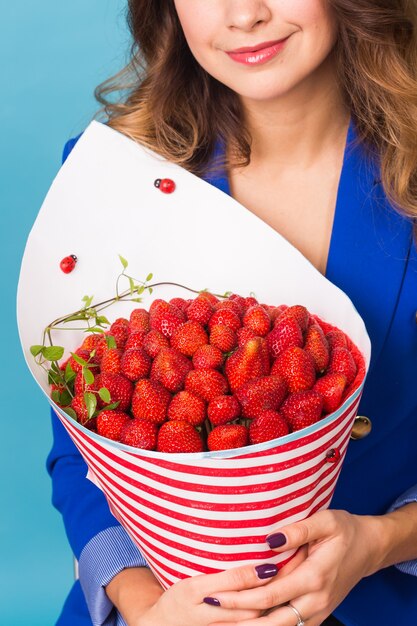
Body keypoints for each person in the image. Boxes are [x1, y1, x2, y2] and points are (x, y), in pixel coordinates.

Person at [47, 1, 417, 625]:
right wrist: (145, 606)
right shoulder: (109, 176)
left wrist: (379, 542)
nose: (244, 14)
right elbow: (79, 448)